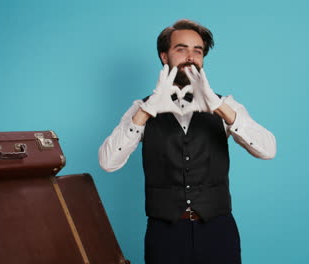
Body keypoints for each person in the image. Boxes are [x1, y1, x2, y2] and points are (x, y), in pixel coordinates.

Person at [99, 19, 276, 264]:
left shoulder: (226, 105)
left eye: (198, 51)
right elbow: (108, 162)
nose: (190, 57)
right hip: (165, 234)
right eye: (181, 49)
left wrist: (219, 107)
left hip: (218, 231)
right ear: (164, 56)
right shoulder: (141, 108)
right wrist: (146, 111)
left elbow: (268, 149)